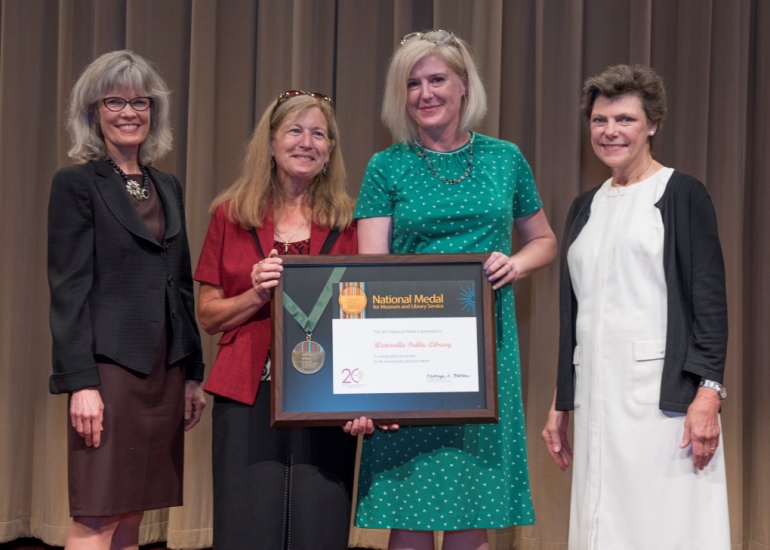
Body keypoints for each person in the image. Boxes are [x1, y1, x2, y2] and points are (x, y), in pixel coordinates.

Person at [345, 30, 557, 550]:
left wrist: (517, 263)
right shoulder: (386, 166)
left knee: (472, 504)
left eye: (437, 79)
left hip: (486, 351)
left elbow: (545, 241)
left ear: (463, 85)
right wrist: (369, 379)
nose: (426, 93)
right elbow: (368, 275)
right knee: (411, 510)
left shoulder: (505, 158)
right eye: (413, 83)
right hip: (406, 352)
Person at [541, 64, 731, 549]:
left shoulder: (681, 194)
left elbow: (709, 302)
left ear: (652, 124)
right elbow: (575, 315)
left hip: (662, 407)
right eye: (600, 121)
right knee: (600, 524)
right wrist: (562, 400)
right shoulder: (585, 207)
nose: (610, 132)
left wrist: (708, 394)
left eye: (624, 119)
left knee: (664, 526)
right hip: (595, 398)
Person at [47, 50, 206, 549]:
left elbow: (180, 282)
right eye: (114, 100)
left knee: (134, 514)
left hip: (164, 370)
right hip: (110, 370)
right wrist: (82, 384)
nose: (129, 112)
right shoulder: (75, 184)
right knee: (98, 516)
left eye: (141, 101)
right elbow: (68, 288)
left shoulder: (167, 184)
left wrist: (193, 373)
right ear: (93, 111)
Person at [194, 90, 358, 549]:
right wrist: (255, 294)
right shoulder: (230, 215)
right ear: (270, 143)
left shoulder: (351, 222)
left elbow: (365, 313)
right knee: (247, 524)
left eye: (318, 134)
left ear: (329, 151)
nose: (306, 142)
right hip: (246, 389)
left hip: (328, 394)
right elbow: (208, 315)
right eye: (294, 130)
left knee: (320, 525)